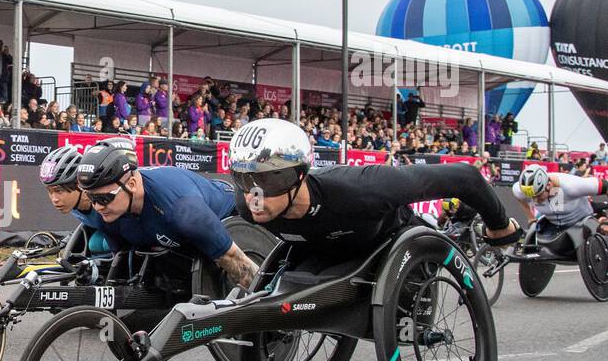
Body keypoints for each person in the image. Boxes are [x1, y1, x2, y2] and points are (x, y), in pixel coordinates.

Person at [226, 118, 518, 268]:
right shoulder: (245, 203)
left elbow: (464, 177)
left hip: (386, 239)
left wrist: (499, 225)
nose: (255, 197)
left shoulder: (362, 187)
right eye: (244, 179)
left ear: (299, 175)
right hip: (320, 252)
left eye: (268, 182)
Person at [77, 138, 260, 289]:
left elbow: (237, 262)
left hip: (224, 213)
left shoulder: (182, 210)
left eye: (103, 199)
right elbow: (122, 262)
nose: (97, 207)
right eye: (91, 198)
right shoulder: (110, 212)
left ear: (131, 185)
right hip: (175, 231)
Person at [39, 146, 112, 257]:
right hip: (105, 235)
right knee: (95, 243)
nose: (54, 199)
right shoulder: (73, 203)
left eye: (59, 191)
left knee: (101, 244)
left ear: (79, 184)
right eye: (50, 191)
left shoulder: (105, 202)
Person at [512, 164, 608, 240]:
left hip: (585, 221)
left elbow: (606, 186)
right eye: (531, 197)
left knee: (604, 229)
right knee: (532, 239)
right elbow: (520, 199)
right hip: (555, 226)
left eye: (538, 195)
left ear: (548, 185)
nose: (535, 200)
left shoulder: (571, 185)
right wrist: (531, 219)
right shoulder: (521, 190)